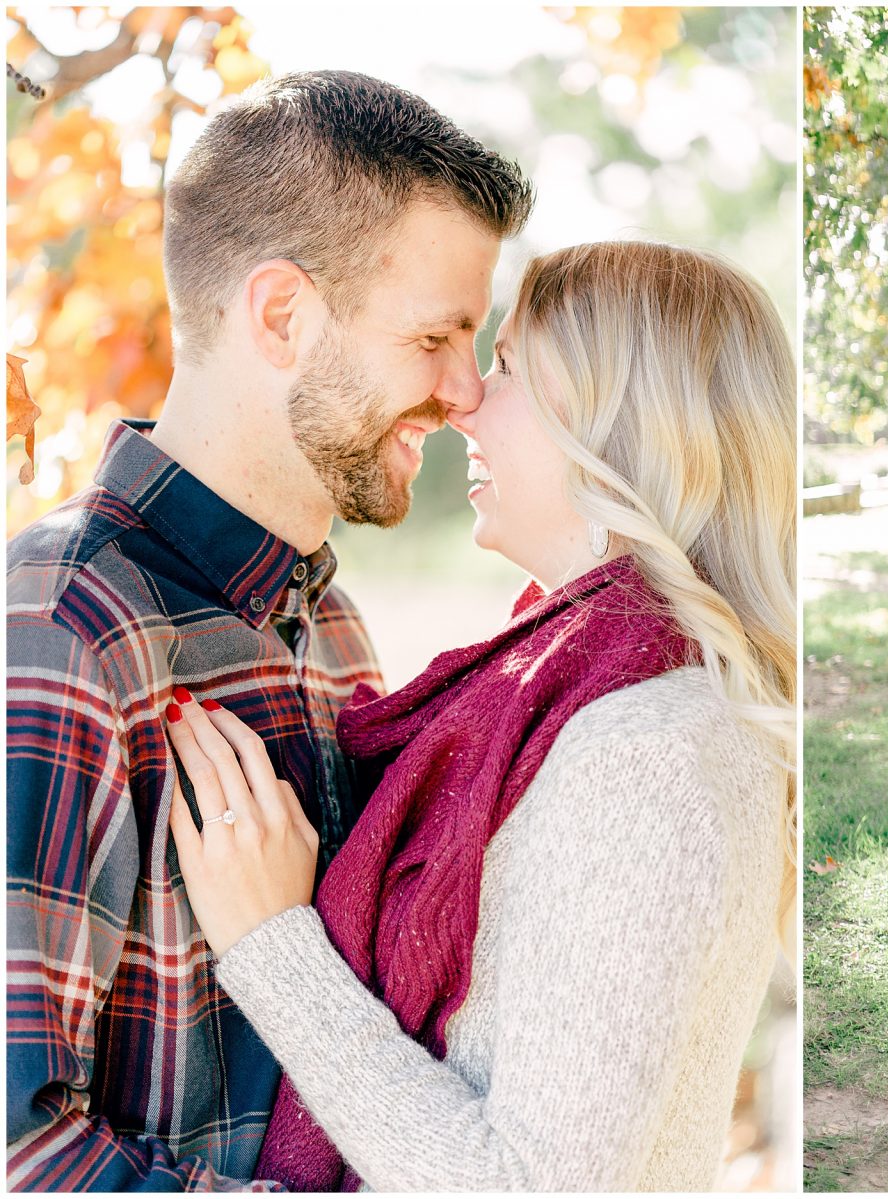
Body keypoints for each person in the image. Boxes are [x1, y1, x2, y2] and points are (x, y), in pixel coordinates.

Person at [161, 241, 797, 1191]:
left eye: (505, 369)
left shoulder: (648, 752)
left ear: (611, 425)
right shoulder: (582, 692)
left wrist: (272, 944)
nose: (463, 401)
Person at [6, 71, 531, 1190]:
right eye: (434, 335)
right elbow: (20, 1150)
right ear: (283, 315)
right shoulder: (67, 631)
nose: (466, 391)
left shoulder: (327, 623)